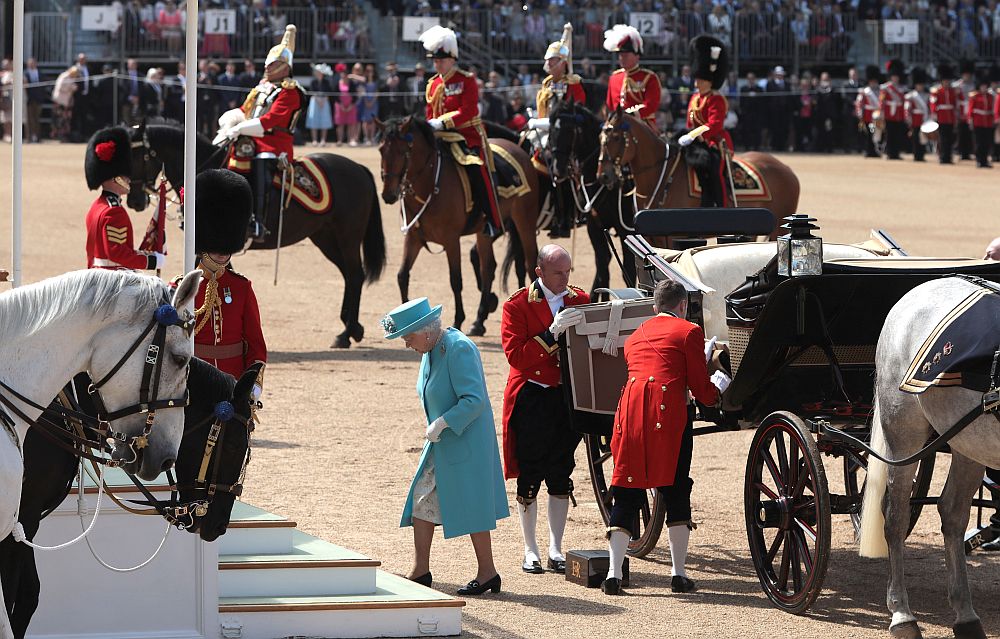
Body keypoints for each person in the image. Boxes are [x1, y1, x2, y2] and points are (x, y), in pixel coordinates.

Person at [599, 279, 727, 596]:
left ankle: (614, 574)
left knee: (626, 488)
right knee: (675, 486)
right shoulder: (690, 332)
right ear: (682, 306)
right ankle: (678, 574)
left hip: (629, 412)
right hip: (667, 413)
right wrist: (719, 387)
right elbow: (701, 390)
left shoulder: (635, 336)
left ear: (655, 307)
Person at [383, 297, 508, 596]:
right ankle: (420, 569)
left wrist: (442, 423)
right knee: (422, 499)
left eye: (408, 337)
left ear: (425, 331)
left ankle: (488, 572)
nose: (406, 344)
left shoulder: (459, 347)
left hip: (466, 441)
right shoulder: (430, 347)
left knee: (473, 504)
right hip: (444, 442)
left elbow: (474, 399)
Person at [501, 245, 590, 575]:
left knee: (560, 471)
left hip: (565, 398)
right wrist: (552, 332)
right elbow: (518, 357)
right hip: (532, 397)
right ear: (539, 272)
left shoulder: (580, 300)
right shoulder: (518, 305)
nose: (565, 279)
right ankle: (530, 548)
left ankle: (555, 546)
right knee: (530, 473)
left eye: (568, 272)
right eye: (558, 273)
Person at [419, 25, 504, 238]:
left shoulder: (466, 79)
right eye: (435, 61)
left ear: (452, 59)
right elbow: (430, 112)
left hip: (466, 135)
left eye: (441, 60)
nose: (437, 64)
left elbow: (468, 111)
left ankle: (493, 220)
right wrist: (431, 126)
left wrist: (442, 122)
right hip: (439, 135)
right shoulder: (432, 84)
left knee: (478, 168)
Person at [223, 25, 304, 244]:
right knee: (223, 153)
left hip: (275, 143)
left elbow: (271, 121)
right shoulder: (261, 89)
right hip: (251, 138)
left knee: (261, 161)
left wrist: (240, 128)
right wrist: (229, 121)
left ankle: (257, 220)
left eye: (274, 64)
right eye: (268, 63)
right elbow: (245, 111)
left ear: (286, 67)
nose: (268, 67)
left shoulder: (291, 92)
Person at [189, 169, 267, 387]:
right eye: (216, 248)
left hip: (234, 379)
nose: (223, 253)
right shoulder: (183, 287)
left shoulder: (241, 287)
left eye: (226, 247)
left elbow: (255, 343)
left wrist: (253, 384)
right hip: (195, 382)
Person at [527, 23, 585, 239]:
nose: (548, 64)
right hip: (543, 131)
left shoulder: (573, 84)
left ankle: (564, 217)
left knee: (558, 168)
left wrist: (547, 124)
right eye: (548, 60)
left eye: (553, 61)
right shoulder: (547, 82)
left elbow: (575, 112)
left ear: (563, 63)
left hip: (565, 135)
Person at [84, 126, 164, 271]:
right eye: (125, 176)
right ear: (116, 178)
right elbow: (117, 253)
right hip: (113, 284)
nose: (129, 180)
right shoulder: (113, 212)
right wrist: (151, 261)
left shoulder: (97, 206)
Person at [679, 35, 732, 209]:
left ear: (710, 81)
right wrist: (689, 134)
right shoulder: (694, 97)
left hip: (714, 142)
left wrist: (695, 134)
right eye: (697, 79)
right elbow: (690, 121)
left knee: (715, 169)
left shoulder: (716, 99)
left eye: (701, 80)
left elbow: (715, 123)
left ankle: (721, 205)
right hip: (696, 142)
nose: (697, 82)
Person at [603, 24, 661, 132]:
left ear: (637, 56)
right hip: (617, 125)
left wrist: (631, 114)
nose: (621, 58)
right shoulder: (614, 77)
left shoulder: (649, 77)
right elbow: (610, 105)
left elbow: (651, 105)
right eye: (620, 55)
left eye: (625, 55)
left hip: (642, 125)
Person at [930, 63, 958, 164]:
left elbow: (955, 105)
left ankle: (948, 157)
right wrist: (934, 114)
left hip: (950, 117)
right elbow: (933, 103)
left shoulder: (952, 91)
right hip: (941, 117)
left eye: (948, 81)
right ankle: (942, 157)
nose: (946, 82)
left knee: (950, 139)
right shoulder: (936, 91)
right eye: (945, 81)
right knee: (942, 139)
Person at [880, 59, 907, 160]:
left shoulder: (902, 88)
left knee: (898, 134)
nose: (895, 78)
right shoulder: (886, 88)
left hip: (899, 114)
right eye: (894, 77)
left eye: (897, 77)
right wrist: (882, 112)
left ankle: (896, 153)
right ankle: (889, 152)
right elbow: (882, 101)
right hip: (889, 113)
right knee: (890, 134)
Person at [967, 72, 995, 168]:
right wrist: (970, 120)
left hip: (987, 123)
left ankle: (985, 161)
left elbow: (992, 110)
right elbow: (970, 109)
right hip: (978, 122)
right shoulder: (974, 96)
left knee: (986, 143)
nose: (984, 88)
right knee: (979, 143)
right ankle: (979, 160)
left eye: (985, 86)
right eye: (982, 86)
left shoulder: (990, 97)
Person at [855, 65, 881, 158]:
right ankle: (868, 150)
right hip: (867, 115)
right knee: (869, 133)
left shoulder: (879, 91)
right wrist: (860, 114)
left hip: (877, 115)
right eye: (872, 81)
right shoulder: (865, 91)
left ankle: (874, 150)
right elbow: (859, 103)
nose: (874, 83)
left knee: (876, 134)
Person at [905, 67, 929, 162]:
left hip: (924, 118)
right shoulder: (911, 96)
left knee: (923, 137)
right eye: (919, 85)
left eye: (921, 85)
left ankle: (922, 155)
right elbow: (908, 108)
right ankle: (916, 155)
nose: (920, 86)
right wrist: (908, 119)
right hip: (915, 119)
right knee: (915, 138)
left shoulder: (927, 95)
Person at [306, 63, 333, 147]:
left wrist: (323, 100)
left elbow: (329, 92)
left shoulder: (326, 82)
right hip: (315, 102)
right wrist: (318, 100)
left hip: (324, 101)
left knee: (324, 120)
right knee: (314, 120)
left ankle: (323, 140)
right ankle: (314, 140)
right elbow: (312, 92)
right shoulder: (313, 82)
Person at [50, 65, 79, 142]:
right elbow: (60, 87)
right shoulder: (64, 76)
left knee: (65, 120)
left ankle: (64, 136)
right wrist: (71, 87)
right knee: (59, 120)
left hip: (66, 103)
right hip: (60, 102)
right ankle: (58, 136)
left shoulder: (71, 78)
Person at [333, 62, 359, 146]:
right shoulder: (337, 83)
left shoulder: (352, 84)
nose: (343, 75)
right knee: (340, 124)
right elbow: (335, 96)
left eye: (345, 74)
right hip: (340, 106)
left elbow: (355, 96)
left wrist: (350, 106)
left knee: (351, 124)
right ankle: (339, 140)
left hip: (351, 106)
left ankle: (350, 140)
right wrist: (341, 105)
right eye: (342, 74)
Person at [955, 59, 976, 161]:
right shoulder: (957, 85)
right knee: (961, 133)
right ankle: (962, 152)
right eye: (965, 75)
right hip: (961, 110)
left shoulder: (974, 85)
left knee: (970, 134)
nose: (967, 76)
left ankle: (969, 152)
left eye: (968, 75)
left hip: (970, 111)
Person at [24, 58, 45, 144]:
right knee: (29, 119)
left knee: (37, 118)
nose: (32, 64)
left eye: (33, 63)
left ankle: (37, 137)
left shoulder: (40, 73)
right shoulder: (25, 73)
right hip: (29, 99)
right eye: (30, 63)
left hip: (38, 99)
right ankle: (29, 137)